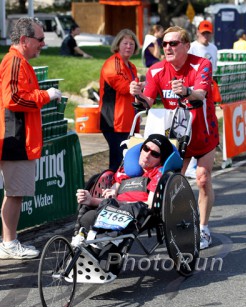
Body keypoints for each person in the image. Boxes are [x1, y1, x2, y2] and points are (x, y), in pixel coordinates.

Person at [130, 26, 219, 250]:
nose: (167, 47)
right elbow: (146, 103)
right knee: (172, 184)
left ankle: (204, 229)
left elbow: (200, 95)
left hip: (203, 133)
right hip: (178, 137)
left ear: (186, 46)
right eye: (165, 44)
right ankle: (179, 223)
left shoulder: (201, 64)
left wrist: (187, 91)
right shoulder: (156, 70)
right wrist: (137, 95)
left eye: (173, 43)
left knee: (203, 178)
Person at [0, 17, 62, 260]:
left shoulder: (17, 61)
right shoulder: (14, 61)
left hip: (15, 136)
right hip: (15, 137)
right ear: (24, 40)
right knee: (15, 194)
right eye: (40, 39)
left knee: (13, 194)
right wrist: (45, 95)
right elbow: (13, 98)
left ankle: (8, 242)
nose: (43, 44)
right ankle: (9, 242)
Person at [72, 134, 173, 250]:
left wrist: (121, 203)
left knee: (129, 209)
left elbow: (149, 204)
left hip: (134, 211)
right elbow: (112, 198)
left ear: (161, 160)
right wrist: (91, 200)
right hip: (113, 208)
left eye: (154, 154)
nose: (147, 155)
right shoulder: (126, 170)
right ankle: (85, 240)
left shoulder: (157, 174)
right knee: (88, 216)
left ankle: (102, 245)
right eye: (146, 149)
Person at [99, 28, 140, 171]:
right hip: (114, 122)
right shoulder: (113, 64)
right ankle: (110, 192)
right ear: (118, 44)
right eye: (125, 43)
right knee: (116, 163)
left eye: (132, 44)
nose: (129, 46)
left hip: (129, 121)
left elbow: (136, 92)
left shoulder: (131, 67)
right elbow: (125, 88)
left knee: (126, 163)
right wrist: (141, 87)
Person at [185, 19, 218, 179]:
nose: (205, 35)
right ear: (198, 32)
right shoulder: (192, 47)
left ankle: (200, 164)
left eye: (208, 33)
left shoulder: (213, 48)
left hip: (206, 92)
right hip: (192, 91)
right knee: (192, 129)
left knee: (205, 129)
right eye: (203, 32)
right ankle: (189, 166)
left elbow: (214, 70)